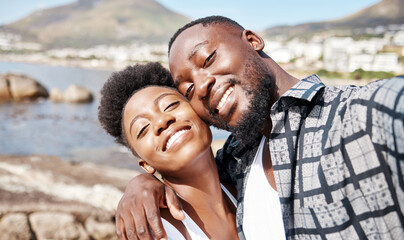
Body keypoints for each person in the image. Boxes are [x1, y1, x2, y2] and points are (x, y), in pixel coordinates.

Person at [116, 16, 404, 239]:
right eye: (188, 88)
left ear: (253, 40)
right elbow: (192, 174)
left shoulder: (361, 112)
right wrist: (142, 184)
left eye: (208, 59)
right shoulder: (240, 157)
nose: (202, 85)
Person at [98, 62, 240, 239]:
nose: (161, 122)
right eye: (143, 129)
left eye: (170, 105)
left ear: (200, 112)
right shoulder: (157, 230)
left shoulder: (243, 186)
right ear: (146, 165)